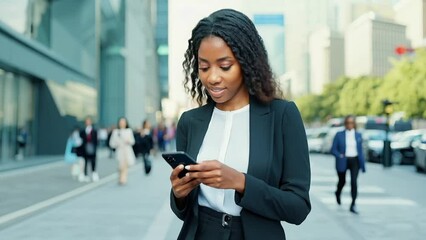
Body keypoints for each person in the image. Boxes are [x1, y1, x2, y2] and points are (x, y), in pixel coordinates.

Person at [169, 9, 311, 240]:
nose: (212, 78)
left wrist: (241, 182)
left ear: (247, 63)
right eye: (204, 67)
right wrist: (179, 194)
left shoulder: (282, 115)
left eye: (225, 66)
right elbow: (183, 211)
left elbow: (298, 207)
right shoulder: (190, 121)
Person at [331, 115, 366, 214]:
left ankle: (353, 204)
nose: (350, 125)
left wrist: (363, 165)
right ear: (345, 124)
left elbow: (360, 151)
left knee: (354, 182)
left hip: (355, 161)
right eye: (348, 123)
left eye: (351, 123)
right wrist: (339, 155)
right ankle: (338, 193)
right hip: (343, 160)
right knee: (342, 181)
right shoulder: (339, 134)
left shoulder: (358, 135)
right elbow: (333, 149)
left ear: (354, 124)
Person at [109, 117, 136, 185]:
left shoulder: (129, 131)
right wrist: (117, 143)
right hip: (120, 151)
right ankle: (121, 177)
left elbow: (132, 141)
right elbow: (112, 143)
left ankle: (123, 179)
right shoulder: (116, 132)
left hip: (127, 150)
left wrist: (128, 141)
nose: (122, 124)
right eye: (121, 122)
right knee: (120, 166)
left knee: (125, 165)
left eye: (123, 122)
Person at [79, 117, 99, 182]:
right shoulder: (82, 131)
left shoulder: (94, 131)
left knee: (93, 161)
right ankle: (85, 174)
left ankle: (94, 173)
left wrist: (95, 147)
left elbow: (96, 140)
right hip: (84, 149)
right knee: (85, 162)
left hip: (92, 148)